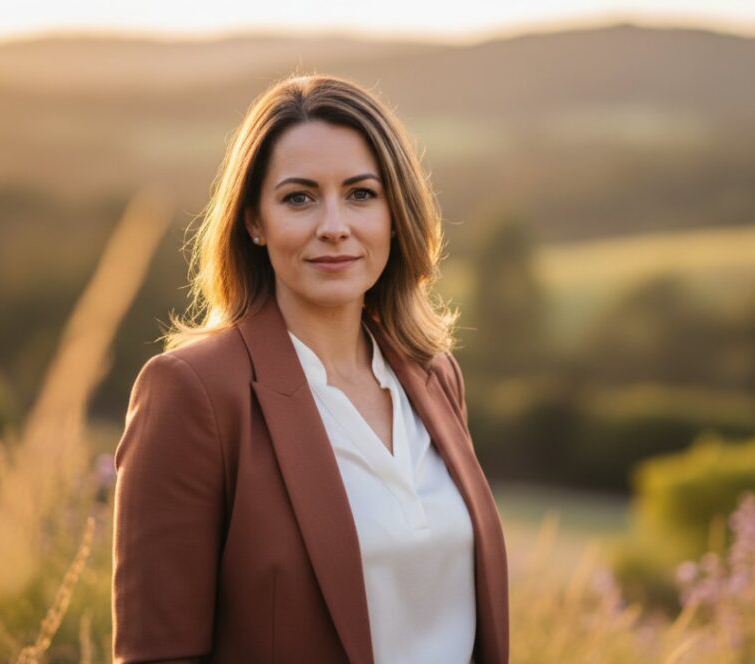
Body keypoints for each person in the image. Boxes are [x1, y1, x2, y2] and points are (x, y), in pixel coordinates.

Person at [111, 74, 509, 664]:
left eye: (361, 194)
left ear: (395, 213)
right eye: (299, 197)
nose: (333, 226)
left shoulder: (433, 376)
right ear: (254, 221)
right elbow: (158, 653)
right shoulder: (193, 393)